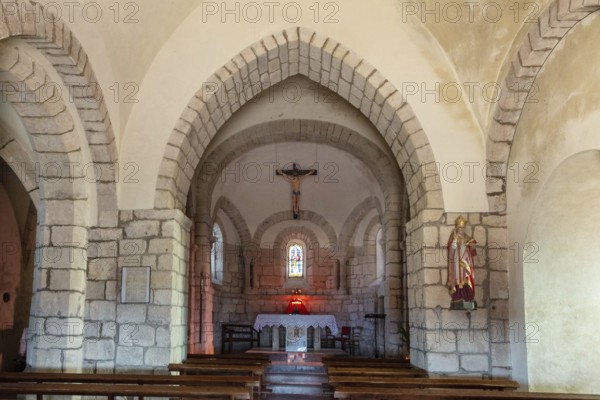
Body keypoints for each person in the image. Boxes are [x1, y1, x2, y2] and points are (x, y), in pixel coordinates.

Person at [447, 216, 477, 305]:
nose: (462, 229)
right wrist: (455, 241)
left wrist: (472, 246)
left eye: (463, 227)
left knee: (466, 277)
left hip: (466, 261)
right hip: (456, 260)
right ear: (457, 227)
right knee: (457, 277)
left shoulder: (468, 237)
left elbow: (473, 251)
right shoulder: (453, 236)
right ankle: (458, 296)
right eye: (460, 227)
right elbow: (451, 249)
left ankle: (467, 296)